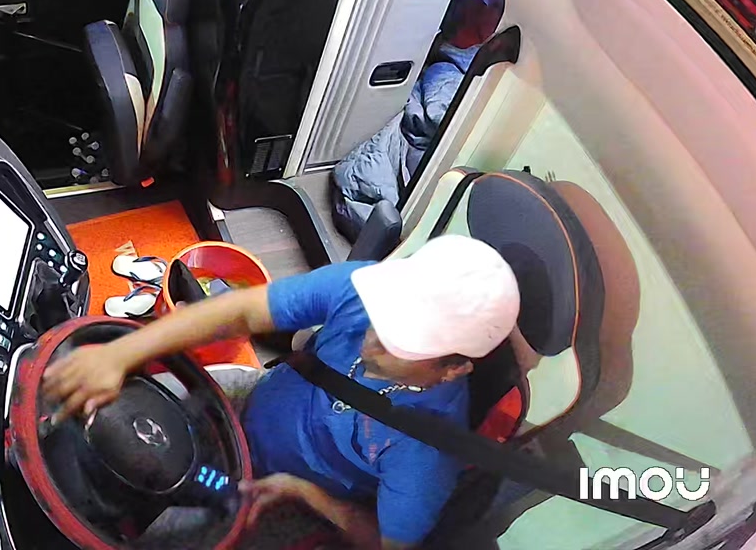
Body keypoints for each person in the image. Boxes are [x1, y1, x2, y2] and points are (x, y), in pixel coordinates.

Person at [43, 234, 520, 550]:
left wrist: (309, 496)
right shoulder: (365, 287)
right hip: (249, 402)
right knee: (116, 411)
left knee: (166, 539)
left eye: (401, 340)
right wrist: (122, 352)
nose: (373, 335)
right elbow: (243, 311)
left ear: (453, 369)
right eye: (383, 315)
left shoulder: (427, 451)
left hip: (289, 494)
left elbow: (389, 543)